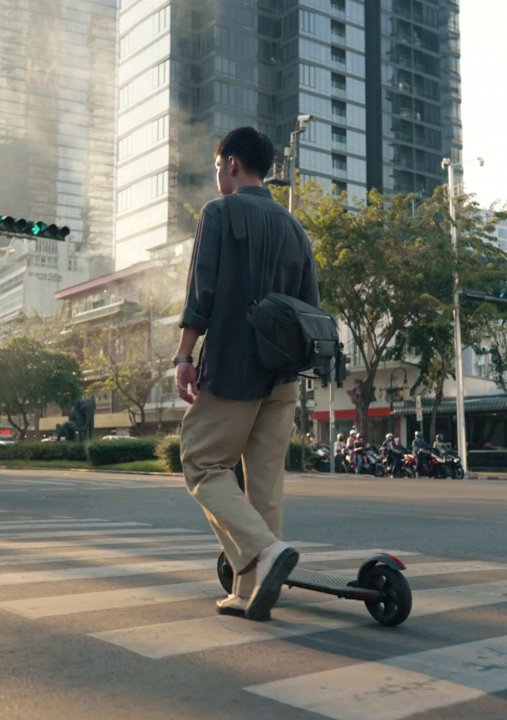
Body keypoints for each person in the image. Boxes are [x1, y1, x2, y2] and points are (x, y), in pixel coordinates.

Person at [174, 126, 319, 622]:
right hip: (284, 375)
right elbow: (309, 307)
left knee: (201, 461)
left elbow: (203, 293)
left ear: (233, 164)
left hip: (235, 363)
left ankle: (266, 550)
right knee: (264, 486)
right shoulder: (294, 227)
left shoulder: (219, 212)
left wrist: (184, 356)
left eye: (218, 167)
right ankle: (249, 592)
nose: (218, 176)